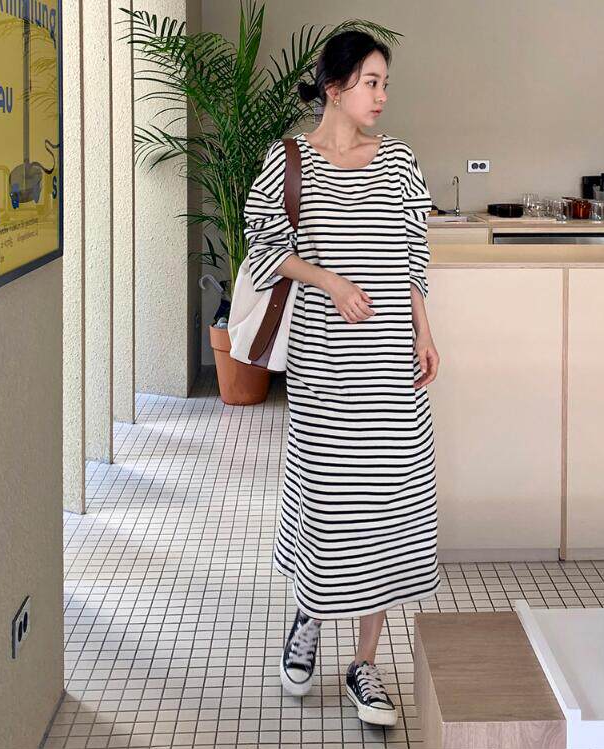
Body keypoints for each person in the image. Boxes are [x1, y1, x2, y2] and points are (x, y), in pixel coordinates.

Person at [242, 29, 441, 728]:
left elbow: (413, 257)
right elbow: (264, 248)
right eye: (370, 83)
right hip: (325, 364)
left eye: (386, 84)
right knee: (330, 504)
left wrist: (422, 332)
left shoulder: (400, 163)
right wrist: (327, 280)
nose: (382, 97)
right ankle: (309, 614)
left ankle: (364, 662)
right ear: (334, 88)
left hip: (388, 367)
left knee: (386, 508)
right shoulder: (288, 161)